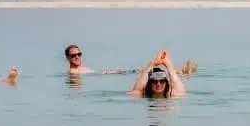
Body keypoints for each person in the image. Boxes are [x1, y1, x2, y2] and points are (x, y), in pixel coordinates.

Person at [65, 44, 197, 75]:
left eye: (79, 54)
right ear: (68, 58)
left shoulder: (79, 70)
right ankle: (180, 71)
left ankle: (180, 71)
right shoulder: (73, 73)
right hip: (107, 75)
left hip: (109, 73)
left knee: (141, 71)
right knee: (145, 71)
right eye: (73, 55)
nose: (77, 57)